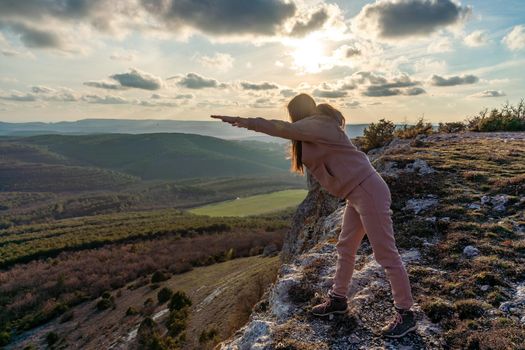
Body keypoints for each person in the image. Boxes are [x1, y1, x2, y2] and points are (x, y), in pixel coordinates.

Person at [210, 93, 416, 338]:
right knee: (345, 247)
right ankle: (338, 299)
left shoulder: (319, 124)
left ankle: (406, 313)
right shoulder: (312, 130)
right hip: (356, 192)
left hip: (367, 190)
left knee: (385, 254)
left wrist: (246, 121)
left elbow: (283, 128)